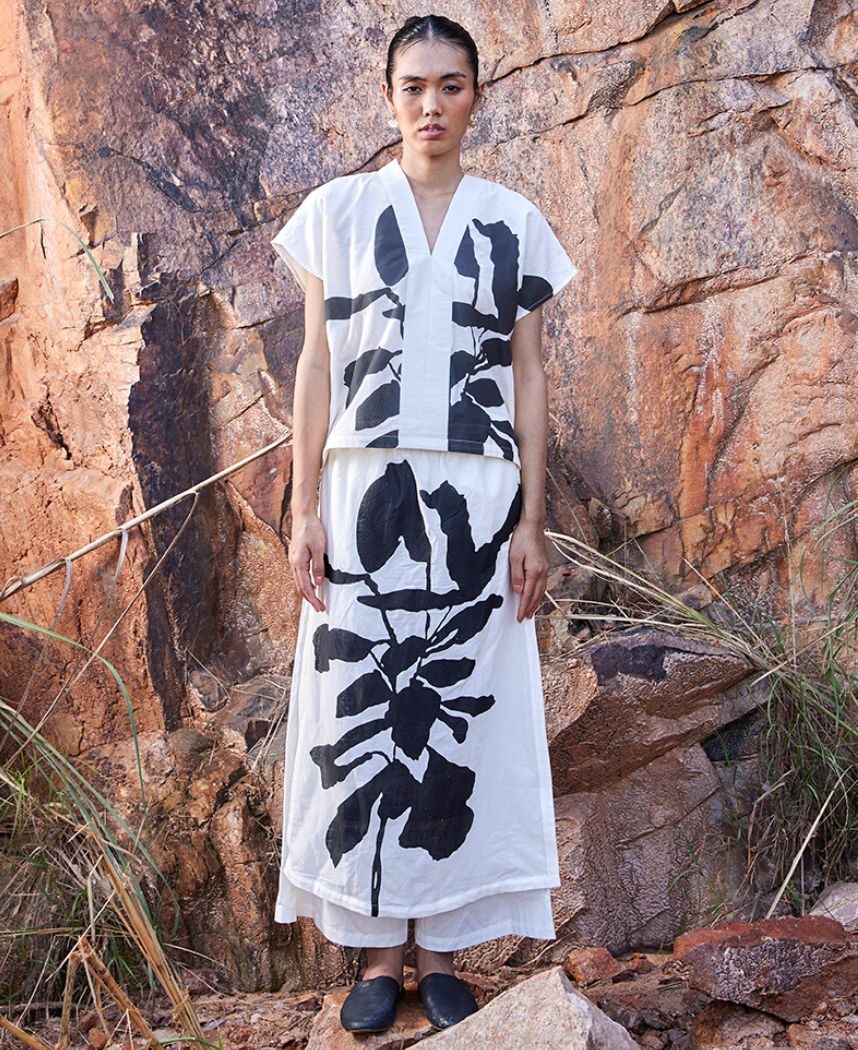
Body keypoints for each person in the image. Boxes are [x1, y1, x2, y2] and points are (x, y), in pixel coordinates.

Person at [270, 13, 579, 1034]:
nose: (431, 105)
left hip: (478, 504)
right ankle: (373, 955)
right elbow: (316, 364)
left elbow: (529, 375)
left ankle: (443, 950)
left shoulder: (513, 222)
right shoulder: (337, 212)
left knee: (467, 711)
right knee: (354, 704)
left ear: (476, 96)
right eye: (414, 86)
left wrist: (533, 519)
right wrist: (304, 507)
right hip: (360, 495)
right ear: (388, 96)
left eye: (451, 85)